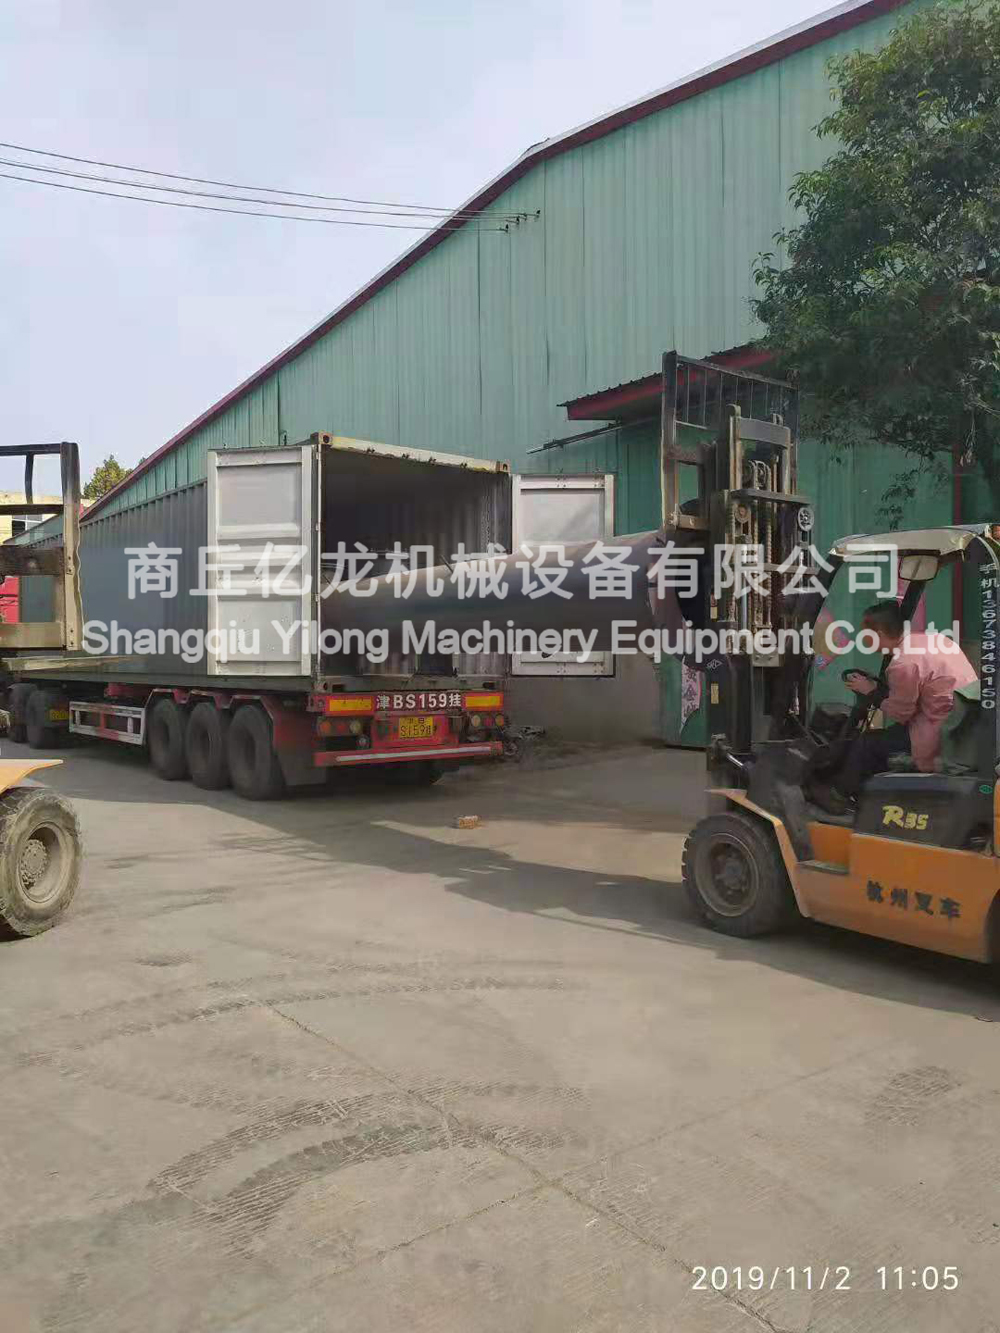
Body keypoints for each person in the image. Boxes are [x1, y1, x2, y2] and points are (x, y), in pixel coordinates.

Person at [824, 600, 977, 807]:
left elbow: (900, 713)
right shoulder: (938, 641)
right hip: (960, 726)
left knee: (865, 744)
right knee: (885, 739)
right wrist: (878, 690)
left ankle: (838, 797)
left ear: (878, 634)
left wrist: (870, 691)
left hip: (937, 733)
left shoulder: (903, 663)